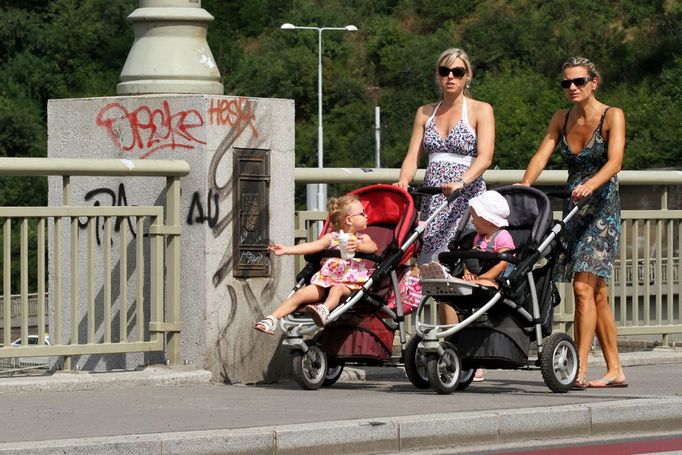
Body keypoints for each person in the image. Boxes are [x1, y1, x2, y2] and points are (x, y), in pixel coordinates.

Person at [517, 57, 626, 389]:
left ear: (594, 81)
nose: (572, 88)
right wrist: (524, 185)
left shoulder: (612, 115)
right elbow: (543, 153)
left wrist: (593, 184)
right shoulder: (561, 118)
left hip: (603, 210)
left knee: (582, 289)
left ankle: (577, 369)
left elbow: (616, 160)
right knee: (598, 293)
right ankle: (616, 370)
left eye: (579, 81)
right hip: (575, 209)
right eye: (566, 83)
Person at [393, 47, 495, 266]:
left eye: (458, 72)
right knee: (433, 267)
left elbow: (485, 157)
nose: (451, 76)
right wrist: (404, 180)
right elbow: (412, 157)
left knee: (460, 266)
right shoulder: (425, 112)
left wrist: (462, 182)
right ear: (438, 75)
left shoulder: (481, 110)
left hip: (466, 194)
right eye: (445, 71)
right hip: (435, 197)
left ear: (467, 76)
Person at [420, 190, 515, 382]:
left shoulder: (502, 237)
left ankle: (464, 351)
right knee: (447, 297)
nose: (472, 220)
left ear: (487, 219)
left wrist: (485, 276)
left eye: (474, 216)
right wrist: (466, 271)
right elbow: (471, 258)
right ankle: (450, 341)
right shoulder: (478, 238)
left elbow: (504, 263)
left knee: (481, 283)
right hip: (476, 280)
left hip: (496, 281)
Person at [255, 194, 378, 334]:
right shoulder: (332, 237)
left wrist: (358, 246)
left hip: (349, 284)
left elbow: (373, 247)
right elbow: (311, 246)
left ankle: (323, 310)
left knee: (336, 290)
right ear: (349, 220)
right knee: (301, 293)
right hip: (325, 281)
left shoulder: (362, 238)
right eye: (362, 213)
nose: (366, 215)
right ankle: (270, 320)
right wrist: (286, 250)